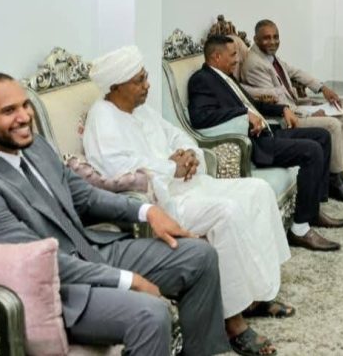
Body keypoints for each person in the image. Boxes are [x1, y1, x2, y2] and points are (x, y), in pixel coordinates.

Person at [0, 73, 229, 355]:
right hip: (60, 290)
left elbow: (85, 196)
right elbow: (38, 262)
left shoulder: (35, 146)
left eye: (25, 105)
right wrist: (127, 280)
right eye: (9, 111)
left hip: (91, 250)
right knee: (150, 313)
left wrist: (147, 210)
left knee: (200, 256)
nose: (24, 116)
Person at [83, 46, 293, 356]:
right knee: (226, 212)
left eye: (146, 77)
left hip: (189, 184)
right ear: (116, 86)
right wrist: (171, 167)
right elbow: (119, 171)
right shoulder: (102, 118)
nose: (147, 85)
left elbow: (177, 136)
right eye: (139, 81)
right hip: (162, 202)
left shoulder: (141, 110)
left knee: (258, 191)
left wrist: (190, 155)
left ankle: (256, 296)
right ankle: (232, 321)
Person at [188, 34, 343, 252]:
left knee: (322, 136)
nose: (237, 59)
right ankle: (300, 230)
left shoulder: (227, 77)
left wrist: (283, 109)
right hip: (254, 143)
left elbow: (254, 105)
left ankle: (312, 211)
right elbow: (200, 117)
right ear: (216, 56)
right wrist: (243, 115)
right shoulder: (202, 80)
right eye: (233, 55)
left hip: (267, 132)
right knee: (311, 151)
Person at [240, 19, 343, 204]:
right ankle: (333, 181)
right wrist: (309, 113)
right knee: (332, 124)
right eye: (267, 38)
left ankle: (341, 174)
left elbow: (295, 72)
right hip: (285, 118)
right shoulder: (254, 64)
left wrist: (323, 88)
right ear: (256, 39)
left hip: (295, 107)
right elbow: (277, 102)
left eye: (276, 37)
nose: (273, 41)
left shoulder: (269, 57)